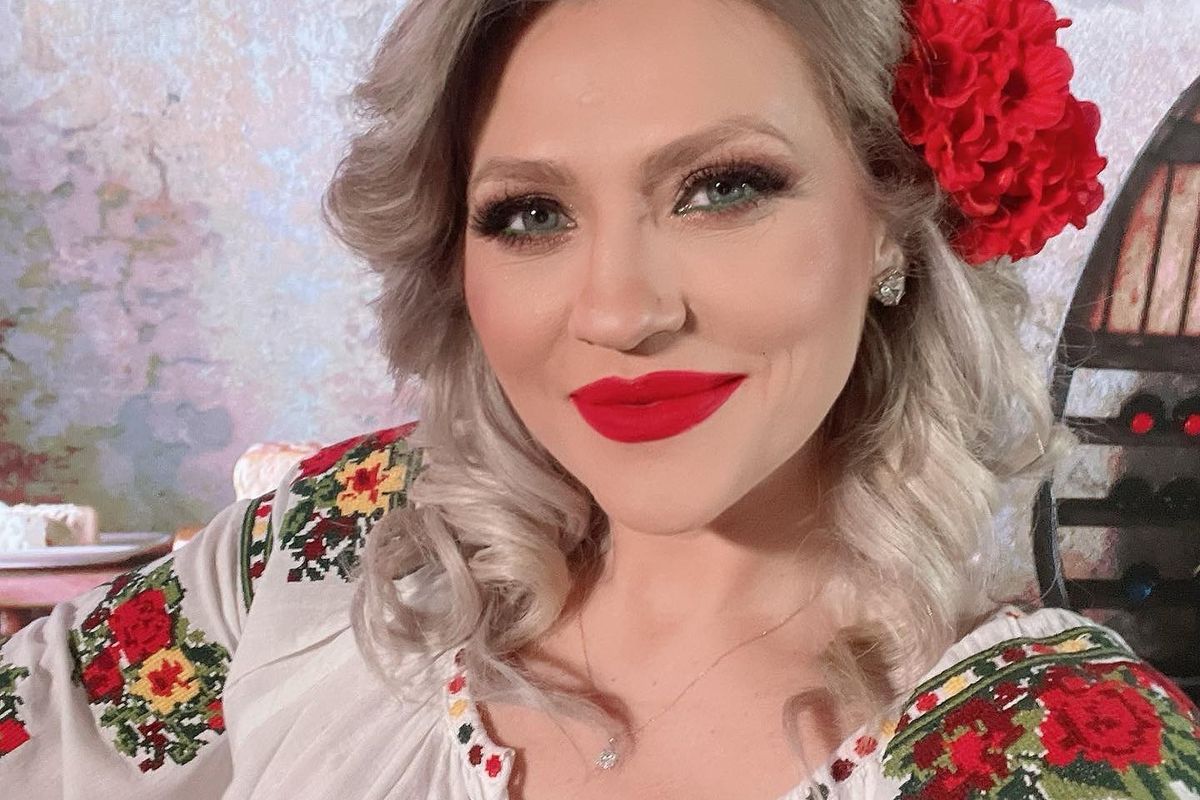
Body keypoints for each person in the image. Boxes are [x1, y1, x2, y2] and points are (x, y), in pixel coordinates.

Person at [3, 0, 1199, 797]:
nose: (621, 310)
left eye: (722, 187)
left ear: (890, 214)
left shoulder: (1072, 755)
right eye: (530, 213)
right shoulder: (342, 547)